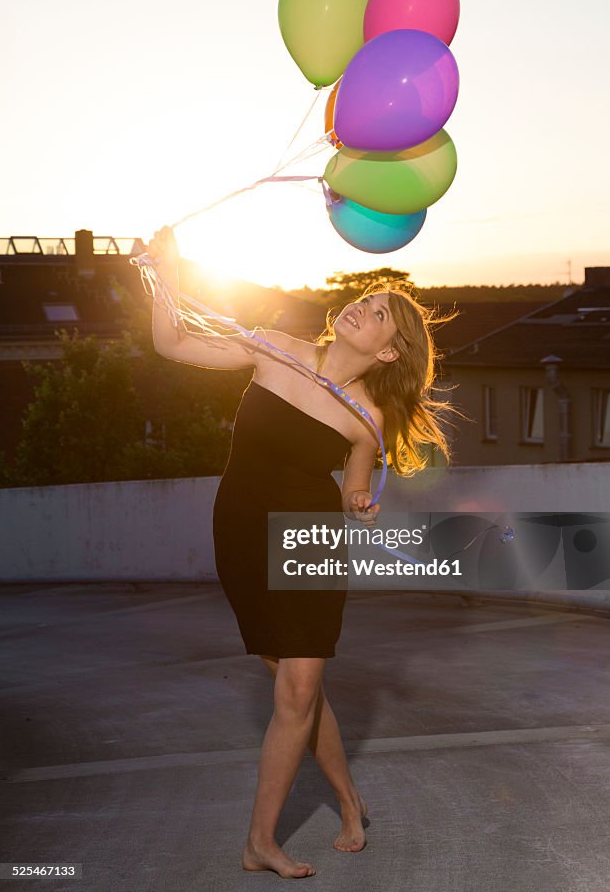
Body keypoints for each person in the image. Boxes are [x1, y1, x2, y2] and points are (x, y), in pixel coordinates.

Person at [146, 225, 459, 879]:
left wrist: (359, 504)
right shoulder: (276, 350)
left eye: (379, 314)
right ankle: (348, 798)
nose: (362, 309)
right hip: (238, 529)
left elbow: (351, 487)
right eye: (366, 299)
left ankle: (259, 841)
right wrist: (160, 276)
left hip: (307, 539)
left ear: (389, 352)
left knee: (299, 686)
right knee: (294, 688)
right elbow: (171, 341)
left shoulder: (367, 420)